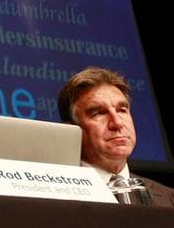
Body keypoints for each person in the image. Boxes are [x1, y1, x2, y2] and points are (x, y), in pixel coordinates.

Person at [58, 66, 174, 207]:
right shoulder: (53, 197)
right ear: (72, 129)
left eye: (122, 110)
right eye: (99, 113)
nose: (117, 123)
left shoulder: (170, 199)